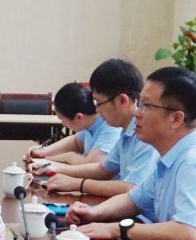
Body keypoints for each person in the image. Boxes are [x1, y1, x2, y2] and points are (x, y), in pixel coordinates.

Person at [64, 67, 196, 240]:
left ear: (176, 119)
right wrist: (94, 212)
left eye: (146, 106)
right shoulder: (172, 155)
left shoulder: (193, 162)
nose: (137, 113)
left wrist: (117, 230)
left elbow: (188, 232)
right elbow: (134, 199)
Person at [34, 58, 154, 199]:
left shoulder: (146, 134)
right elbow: (103, 170)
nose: (96, 109)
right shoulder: (126, 130)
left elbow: (132, 188)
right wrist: (54, 169)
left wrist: (78, 184)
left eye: (99, 102)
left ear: (122, 100)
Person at [25, 82, 120, 166]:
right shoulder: (90, 122)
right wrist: (44, 152)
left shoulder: (111, 125)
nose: (63, 124)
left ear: (79, 117)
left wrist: (66, 157)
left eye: (62, 119)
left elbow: (92, 165)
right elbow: (76, 142)